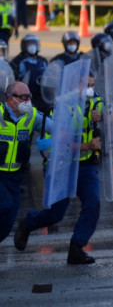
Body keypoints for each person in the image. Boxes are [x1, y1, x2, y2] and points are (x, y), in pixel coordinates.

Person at [14, 72, 102, 264]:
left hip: (86, 165)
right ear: (74, 86)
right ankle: (28, 223)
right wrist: (87, 146)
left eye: (92, 85)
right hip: (62, 165)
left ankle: (77, 247)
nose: (89, 89)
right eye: (86, 84)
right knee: (55, 214)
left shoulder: (96, 102)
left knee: (93, 203)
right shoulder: (62, 107)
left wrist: (104, 117)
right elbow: (60, 143)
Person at [0, 81, 53, 245]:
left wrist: (50, 141)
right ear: (11, 99)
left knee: (9, 219)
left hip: (15, 176)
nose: (27, 101)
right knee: (6, 205)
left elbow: (56, 128)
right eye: (23, 97)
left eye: (29, 97)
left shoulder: (31, 116)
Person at [16, 35, 50, 114]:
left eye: (34, 44)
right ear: (24, 46)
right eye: (29, 44)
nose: (32, 47)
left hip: (42, 95)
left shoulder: (43, 61)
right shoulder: (19, 61)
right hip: (27, 96)